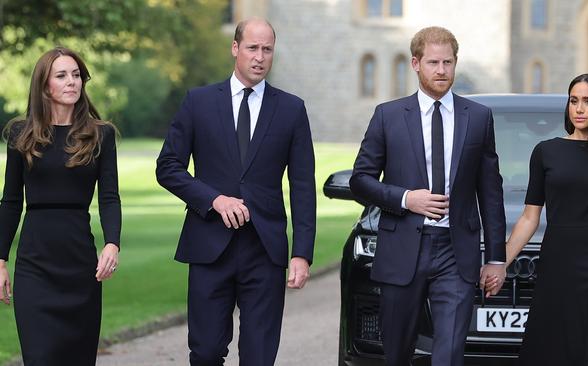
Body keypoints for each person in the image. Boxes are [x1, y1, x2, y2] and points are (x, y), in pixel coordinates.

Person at [156, 17, 316, 366]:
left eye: (267, 49)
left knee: (259, 356)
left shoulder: (291, 109)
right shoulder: (198, 102)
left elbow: (303, 186)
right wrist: (213, 199)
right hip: (209, 246)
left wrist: (302, 253)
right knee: (206, 352)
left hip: (265, 249)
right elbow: (167, 167)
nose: (259, 57)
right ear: (235, 49)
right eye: (252, 48)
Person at [349, 26, 506, 366]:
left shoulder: (478, 118)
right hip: (403, 248)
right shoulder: (387, 116)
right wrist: (407, 199)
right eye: (433, 62)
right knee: (397, 353)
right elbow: (360, 180)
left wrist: (496, 258)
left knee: (449, 354)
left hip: (456, 252)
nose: (441, 71)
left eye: (448, 63)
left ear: (455, 63)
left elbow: (490, 192)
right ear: (416, 64)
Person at [485, 72, 588, 365]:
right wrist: (501, 263)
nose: (579, 108)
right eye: (574, 101)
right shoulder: (546, 153)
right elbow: (529, 218)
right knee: (549, 348)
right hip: (557, 264)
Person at [0, 47, 121, 365]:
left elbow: (109, 196)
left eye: (77, 75)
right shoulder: (20, 135)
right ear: (44, 86)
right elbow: (11, 202)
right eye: (62, 75)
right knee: (40, 357)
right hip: (35, 266)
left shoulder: (101, 135)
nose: (72, 82)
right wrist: (0, 259)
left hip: (80, 266)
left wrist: (112, 242)